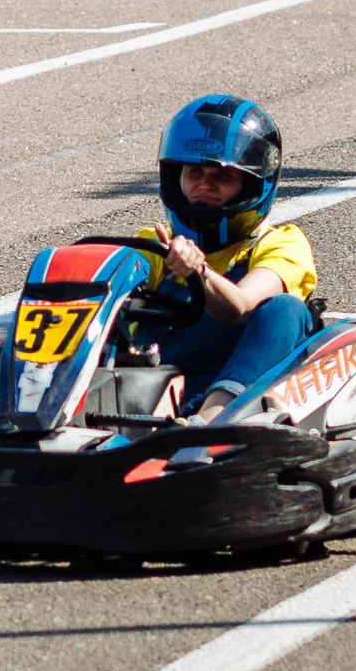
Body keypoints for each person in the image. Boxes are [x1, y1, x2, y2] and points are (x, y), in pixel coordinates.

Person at [135, 94, 318, 424]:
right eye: (194, 173)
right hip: (151, 394)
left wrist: (198, 271)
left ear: (251, 184)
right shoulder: (155, 243)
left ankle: (208, 424)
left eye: (222, 176)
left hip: (237, 395)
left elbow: (241, 307)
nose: (205, 185)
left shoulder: (282, 242)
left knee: (285, 309)